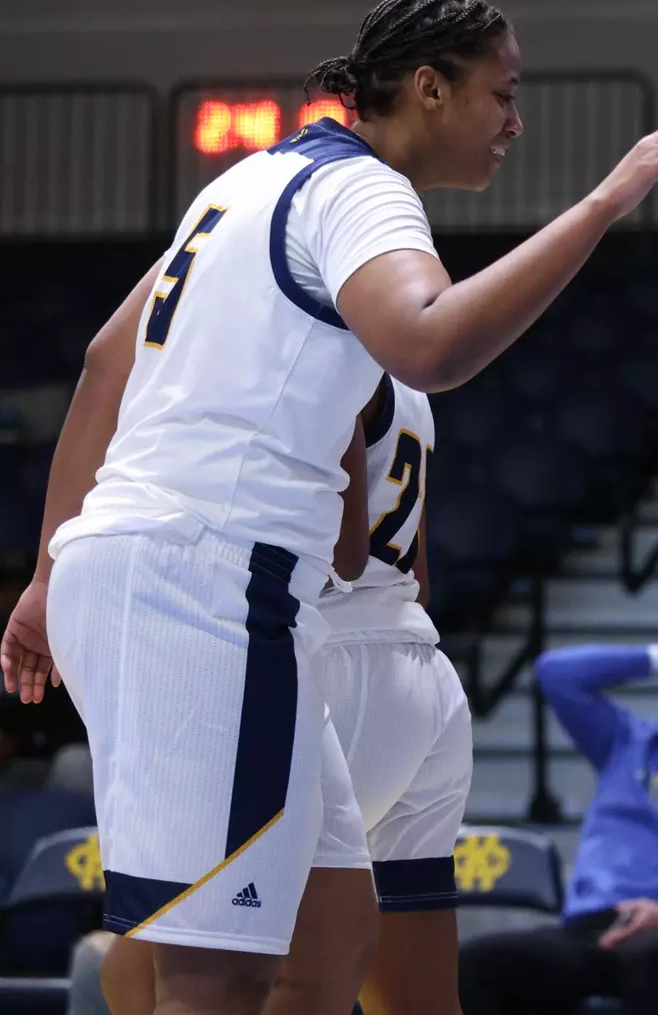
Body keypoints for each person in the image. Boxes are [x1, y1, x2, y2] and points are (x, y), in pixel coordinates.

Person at [0, 0, 658, 1015]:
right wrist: (602, 205)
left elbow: (106, 357)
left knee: (332, 923)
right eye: (500, 94)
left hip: (162, 567)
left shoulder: (247, 181)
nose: (516, 122)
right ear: (428, 88)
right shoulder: (365, 193)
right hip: (205, 582)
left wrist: (46, 570)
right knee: (215, 973)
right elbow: (432, 341)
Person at [97, 374, 469, 1015]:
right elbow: (416, 575)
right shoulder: (406, 376)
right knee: (419, 1000)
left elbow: (343, 553)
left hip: (324, 668)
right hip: (420, 675)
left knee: (156, 969)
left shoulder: (313, 339)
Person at [458, 633, 658, 1015]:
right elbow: (554, 674)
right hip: (591, 931)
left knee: (648, 958)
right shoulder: (629, 742)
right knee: (479, 962)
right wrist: (654, 660)